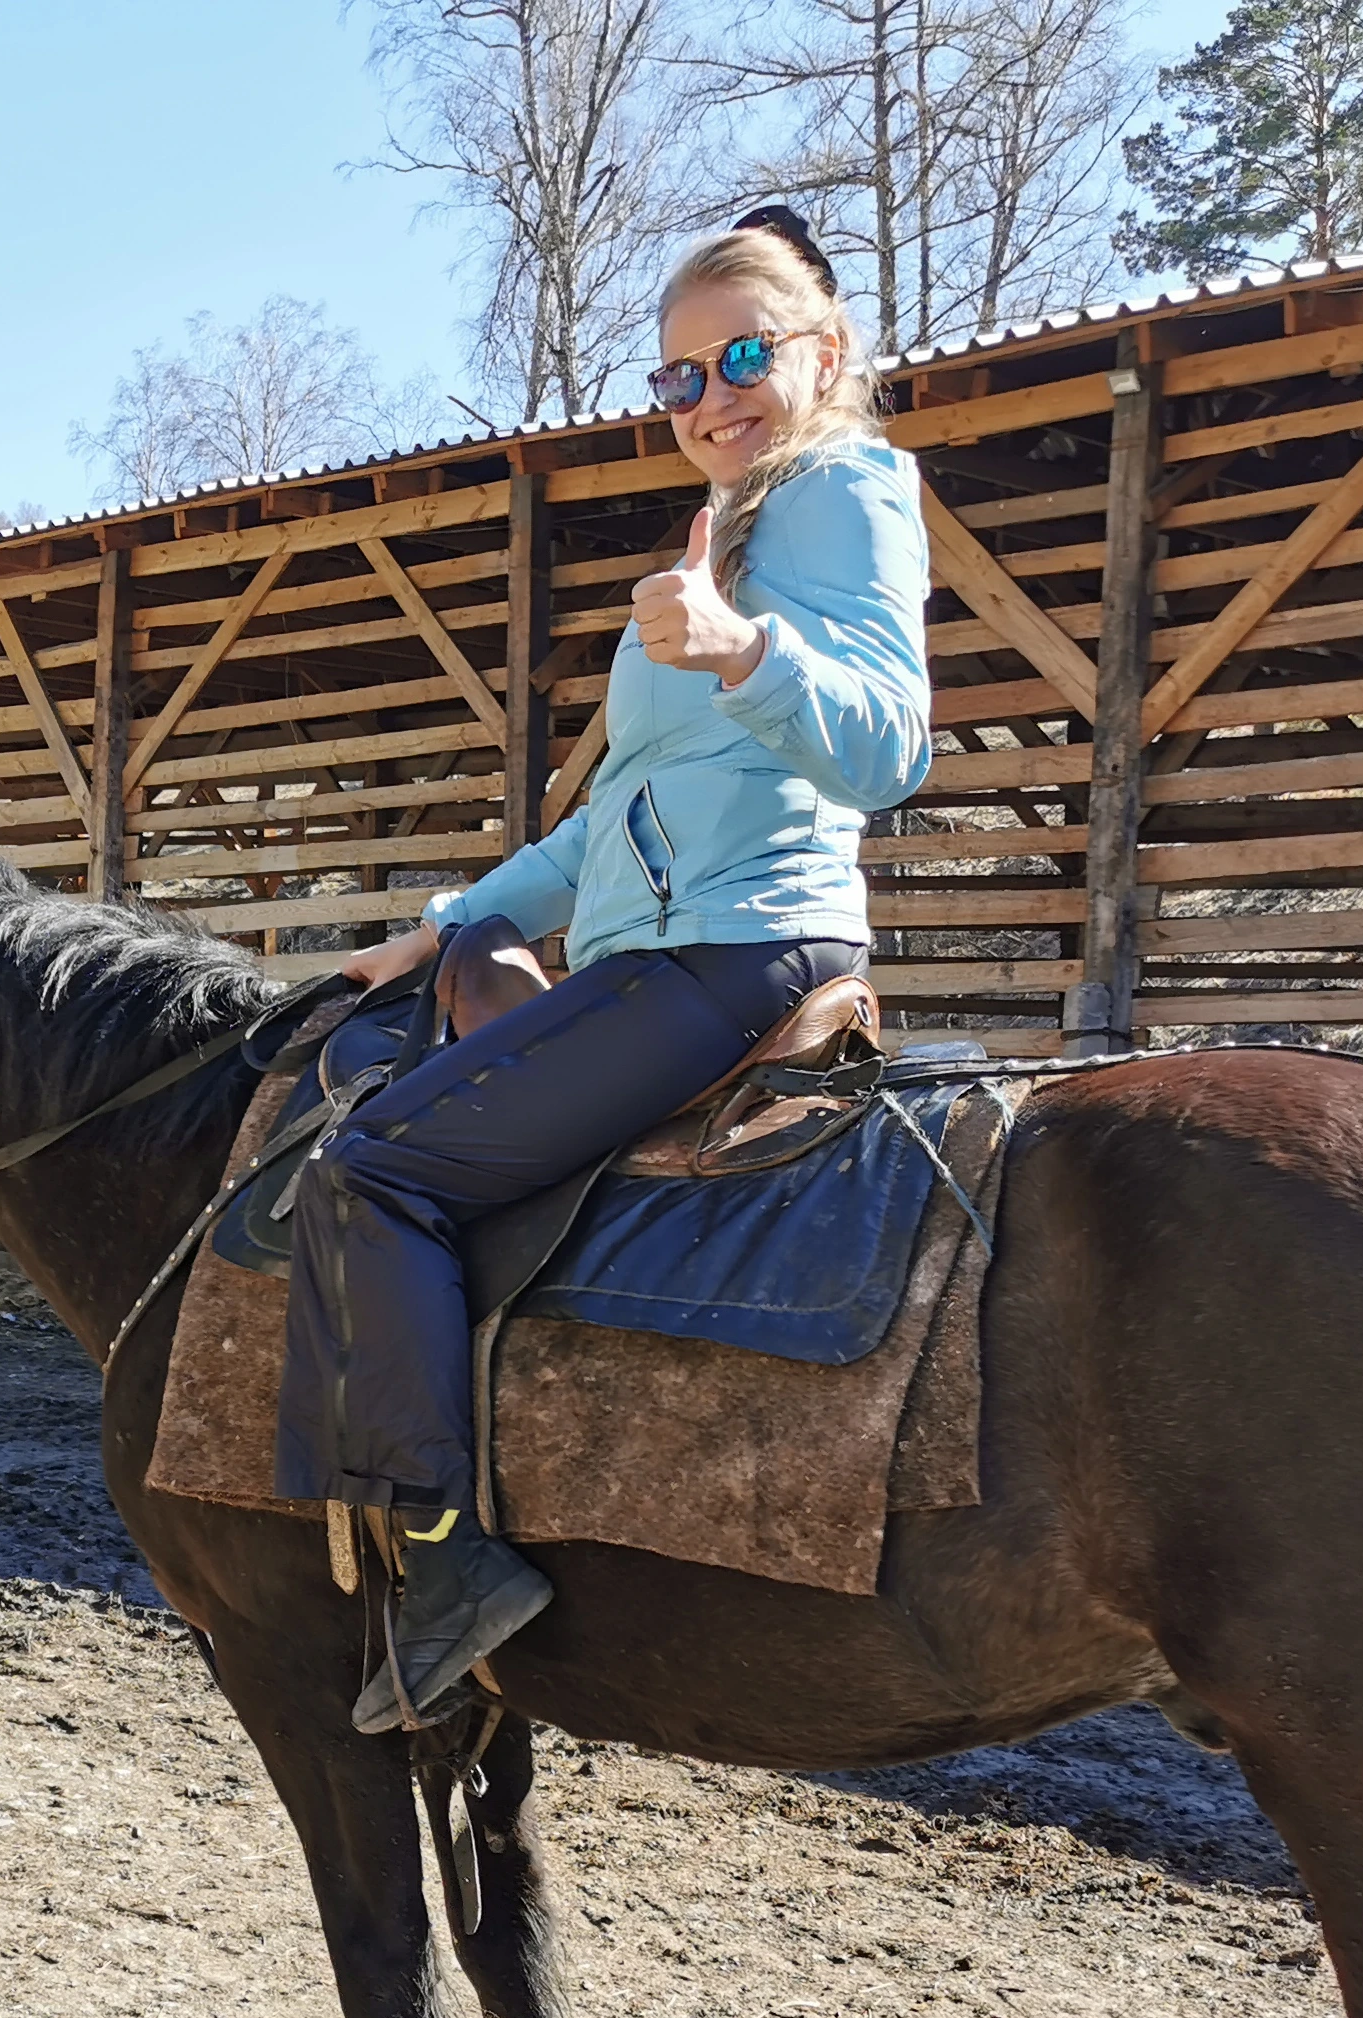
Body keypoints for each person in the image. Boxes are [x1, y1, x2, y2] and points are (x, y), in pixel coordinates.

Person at [276, 203, 933, 1732]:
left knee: (370, 1174)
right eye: (678, 379)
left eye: (743, 358)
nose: (708, 400)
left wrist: (740, 653)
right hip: (666, 943)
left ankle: (443, 1567)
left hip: (736, 948)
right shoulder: (745, 520)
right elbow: (602, 833)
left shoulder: (840, 492)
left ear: (824, 355)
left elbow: (891, 748)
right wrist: (446, 925)